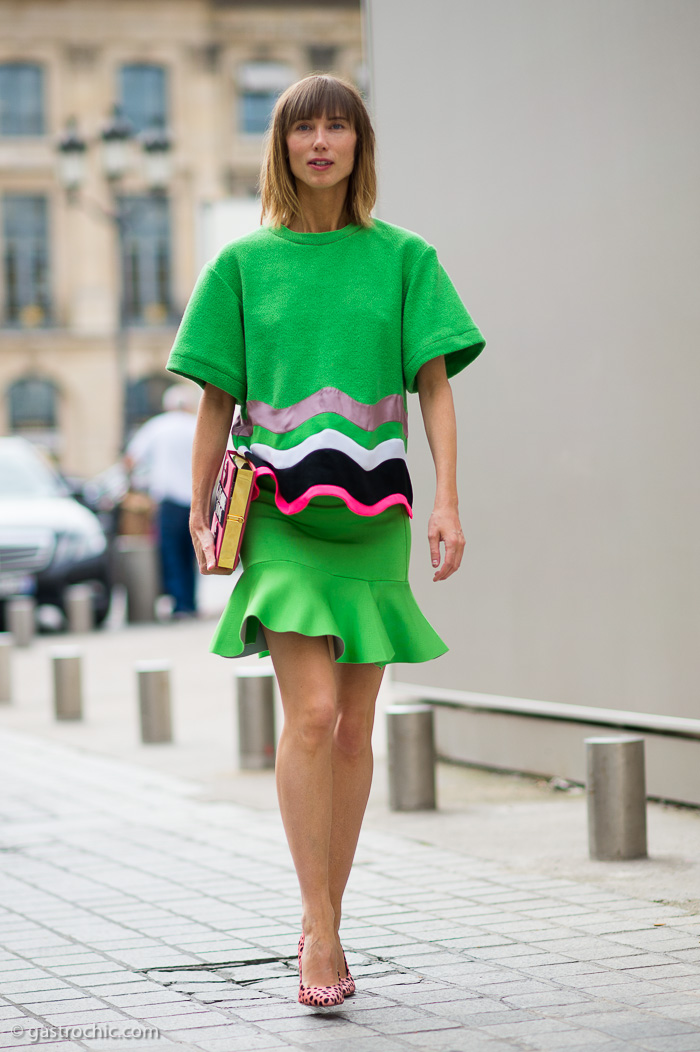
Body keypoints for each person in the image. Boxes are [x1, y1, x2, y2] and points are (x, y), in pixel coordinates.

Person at [167, 75, 485, 1006]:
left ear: (358, 142)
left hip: (376, 514)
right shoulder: (239, 265)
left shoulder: (404, 258)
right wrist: (200, 507)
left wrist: (449, 502)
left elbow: (435, 387)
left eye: (336, 124)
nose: (320, 141)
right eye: (303, 126)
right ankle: (321, 932)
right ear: (282, 146)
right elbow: (215, 400)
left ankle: (323, 919)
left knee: (354, 730)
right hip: (277, 512)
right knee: (310, 718)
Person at [125, 383, 199, 618]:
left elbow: (130, 459)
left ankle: (180, 605)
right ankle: (191, 602)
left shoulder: (156, 427)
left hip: (167, 501)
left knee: (172, 554)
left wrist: (138, 482)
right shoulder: (196, 425)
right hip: (196, 499)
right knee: (193, 552)